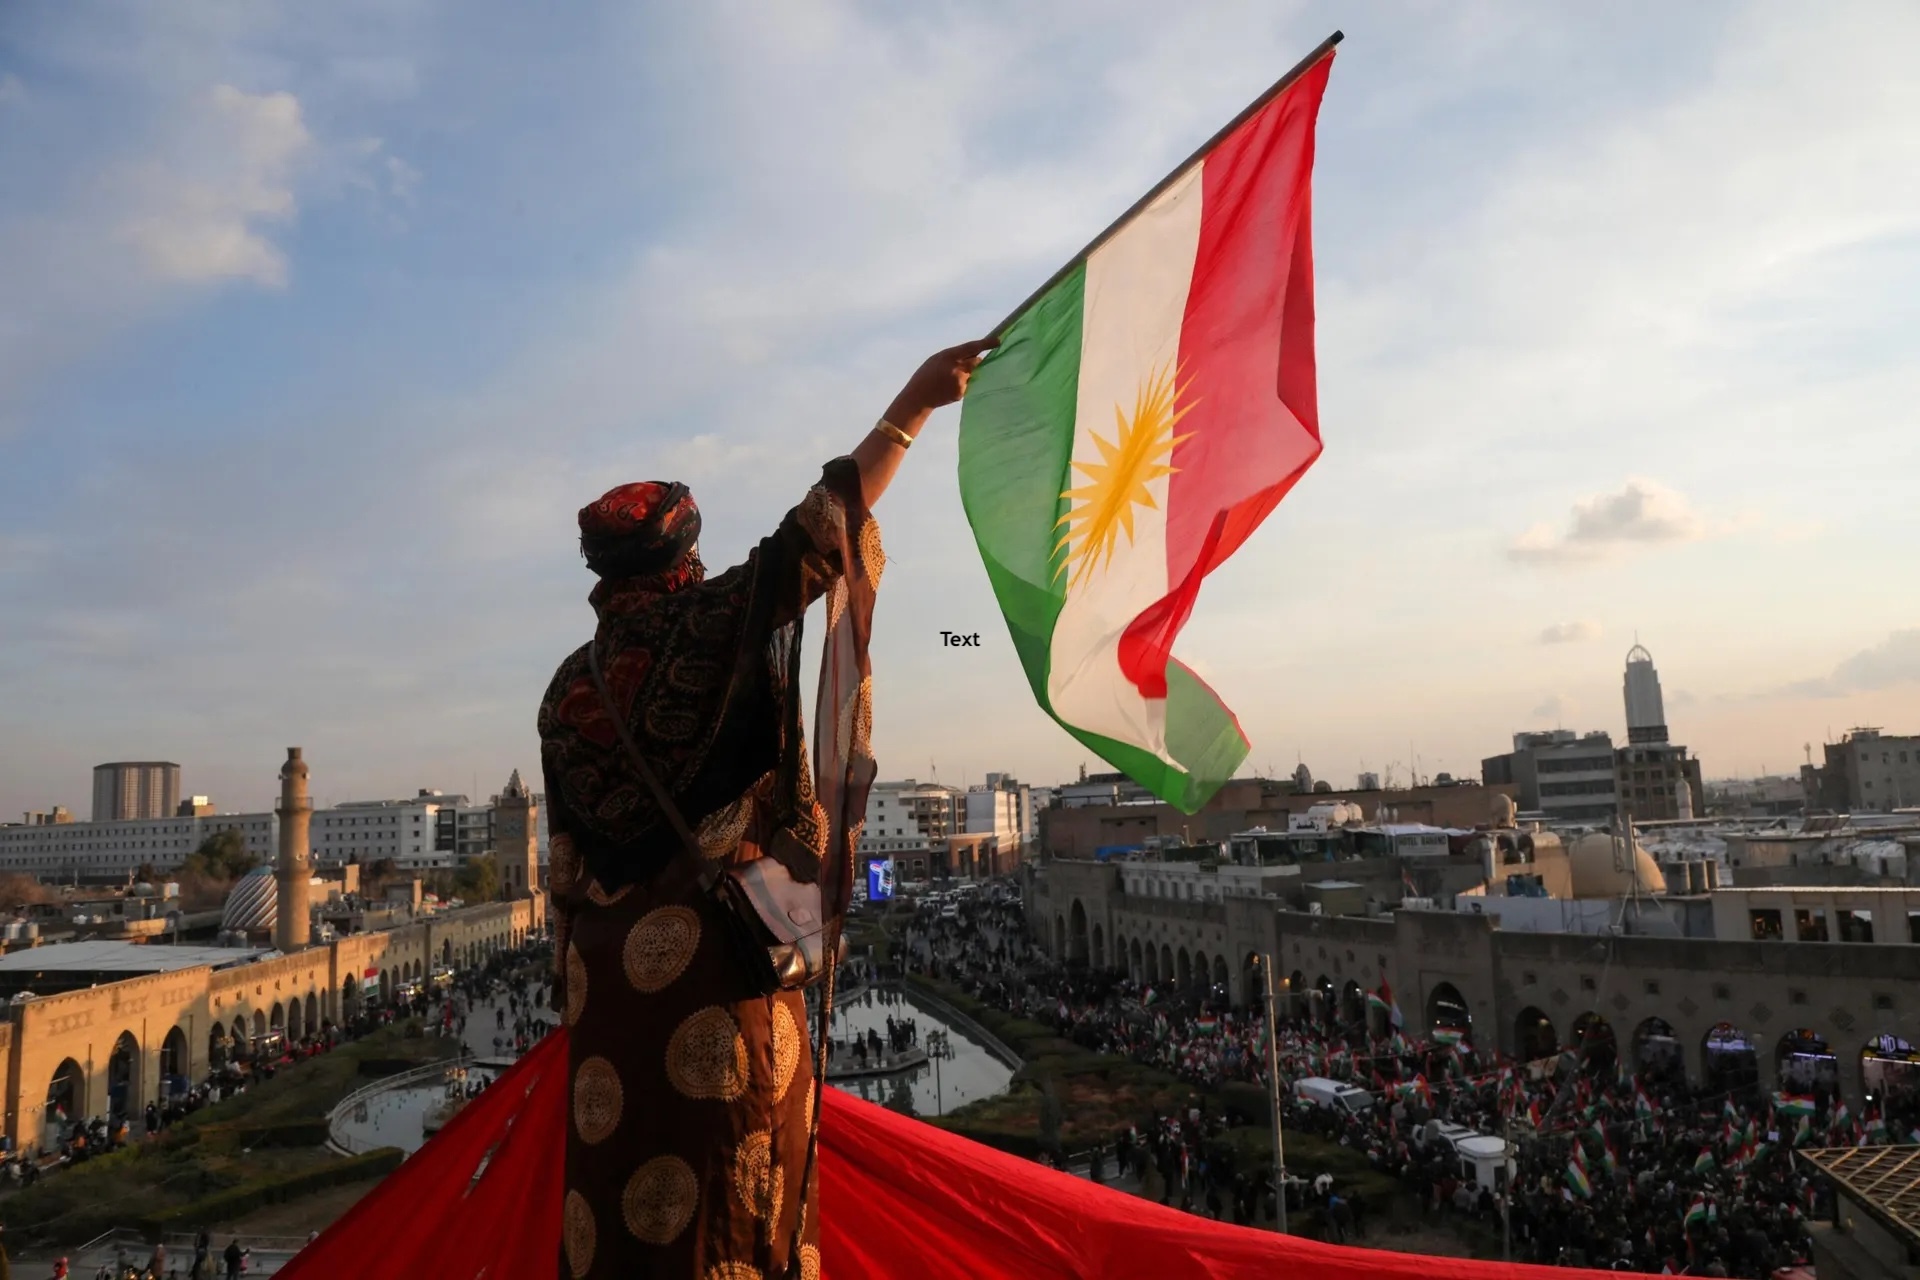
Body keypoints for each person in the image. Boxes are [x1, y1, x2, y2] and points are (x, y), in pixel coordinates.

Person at [540, 339, 991, 1279]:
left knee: (619, 1223)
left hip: (607, 1006)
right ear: (683, 555)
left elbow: (566, 870)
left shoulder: (567, 688)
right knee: (738, 1220)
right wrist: (915, 401)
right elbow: (824, 529)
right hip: (719, 976)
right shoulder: (712, 624)